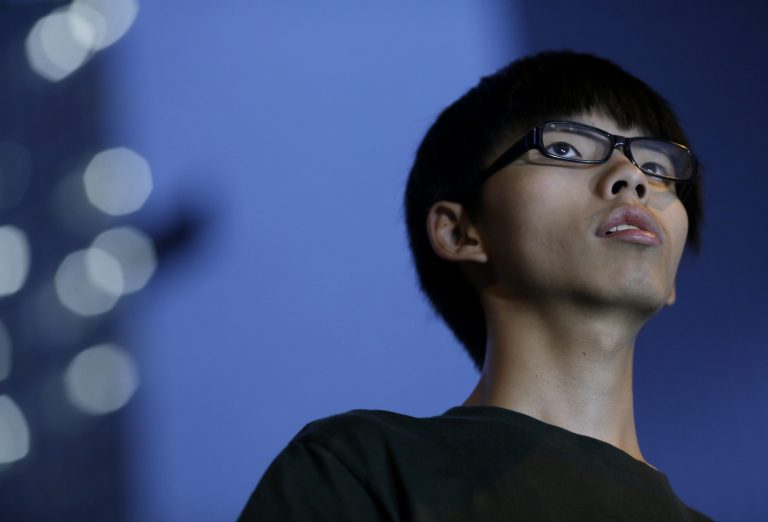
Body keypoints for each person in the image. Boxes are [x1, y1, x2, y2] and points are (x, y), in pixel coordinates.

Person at [239, 50, 712, 521]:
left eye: (656, 166)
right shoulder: (361, 470)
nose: (632, 176)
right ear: (461, 232)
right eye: (564, 148)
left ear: (671, 281)